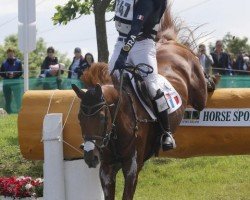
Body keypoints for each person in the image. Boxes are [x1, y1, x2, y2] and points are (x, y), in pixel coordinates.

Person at [109, 0, 175, 151]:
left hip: (142, 45)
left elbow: (136, 28)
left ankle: (166, 132)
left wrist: (123, 55)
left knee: (151, 86)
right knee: (109, 79)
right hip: (121, 41)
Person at [0, 48, 23, 113]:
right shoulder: (4, 63)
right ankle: (8, 113)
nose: (10, 54)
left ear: (14, 53)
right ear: (7, 54)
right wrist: (7, 75)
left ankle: (20, 112)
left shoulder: (18, 62)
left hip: (16, 83)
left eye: (11, 53)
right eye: (9, 53)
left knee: (18, 99)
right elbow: (1, 73)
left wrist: (14, 74)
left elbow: (21, 72)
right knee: (8, 100)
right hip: (6, 83)